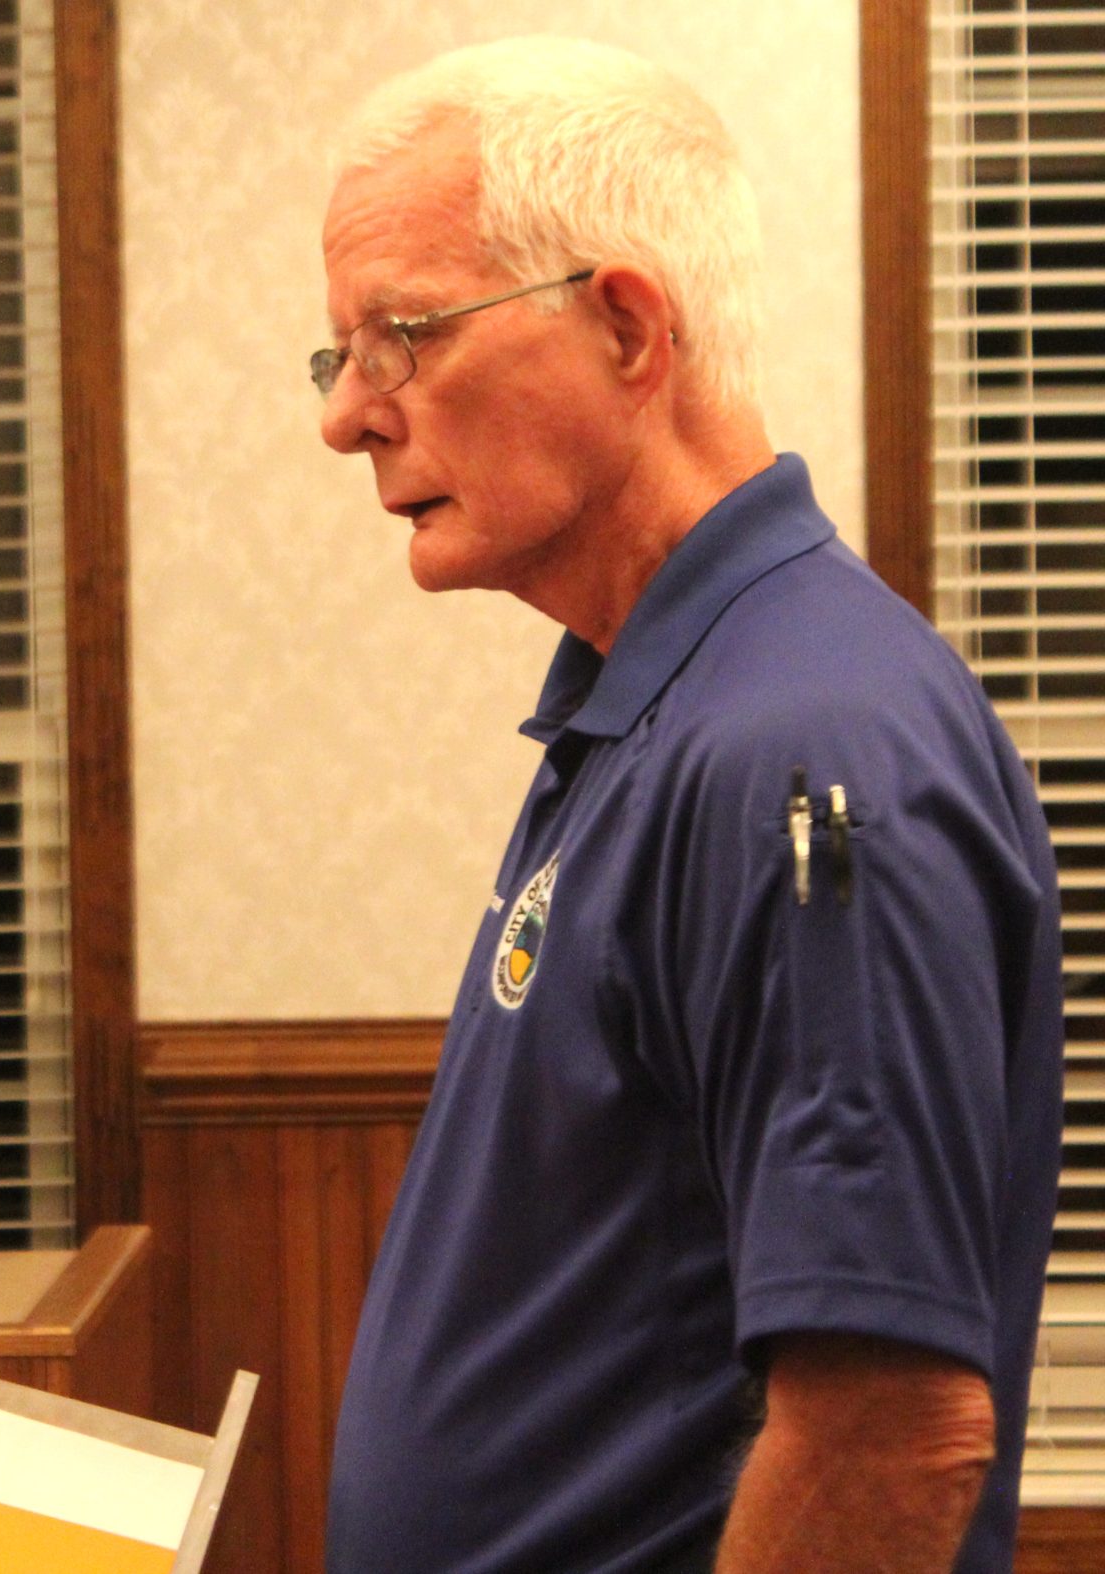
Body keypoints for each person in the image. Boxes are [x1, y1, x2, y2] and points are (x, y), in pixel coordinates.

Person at [312, 37, 1062, 1574]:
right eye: (342, 357)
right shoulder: (660, 694)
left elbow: (891, 1432)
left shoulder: (804, 746)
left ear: (628, 328)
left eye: (401, 338)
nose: (349, 417)